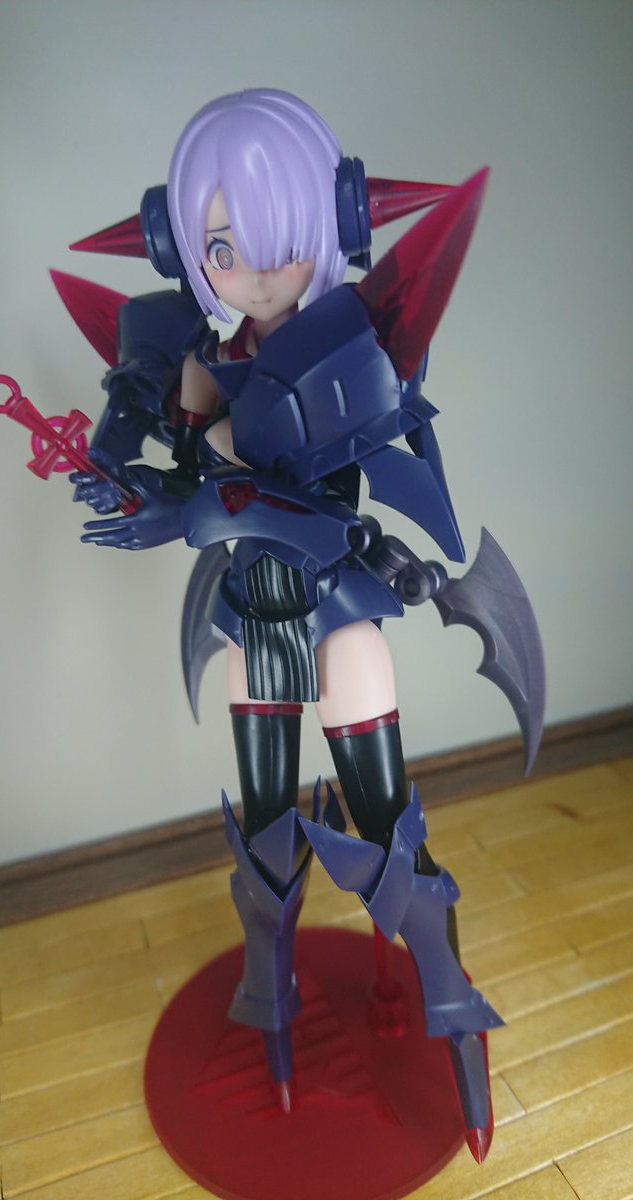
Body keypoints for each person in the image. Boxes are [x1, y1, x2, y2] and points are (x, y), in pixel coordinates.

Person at [75, 88, 502, 1155]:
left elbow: (315, 512)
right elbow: (170, 458)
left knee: (389, 832)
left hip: (340, 603)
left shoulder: (354, 349)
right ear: (181, 246)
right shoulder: (193, 350)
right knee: (265, 841)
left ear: (335, 222)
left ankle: (449, 1018)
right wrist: (119, 469)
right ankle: (272, 1017)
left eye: (276, 246)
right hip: (252, 615)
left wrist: (190, 506)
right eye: (222, 250)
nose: (253, 276)